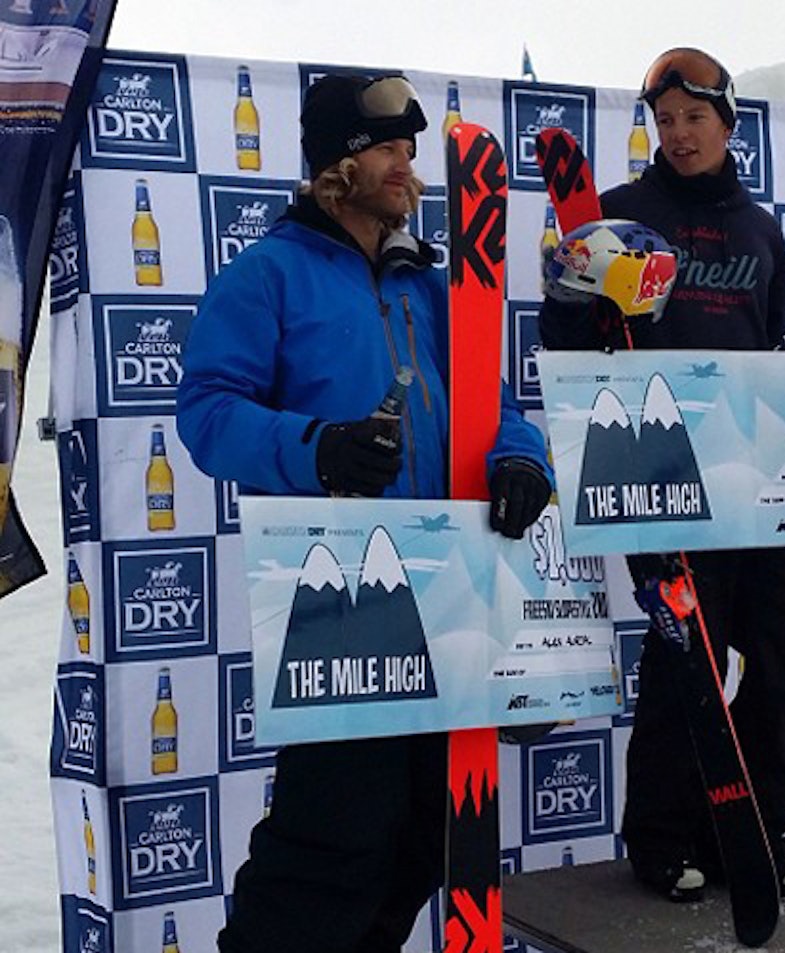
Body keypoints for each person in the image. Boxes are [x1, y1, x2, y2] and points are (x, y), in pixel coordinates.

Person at [176, 74, 552, 953]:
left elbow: (494, 403)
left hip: (448, 586)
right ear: (337, 166)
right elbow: (206, 412)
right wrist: (317, 448)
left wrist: (520, 459)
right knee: (331, 841)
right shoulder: (268, 275)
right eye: (386, 148)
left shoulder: (429, 284)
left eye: (412, 151)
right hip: (339, 593)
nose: (406, 167)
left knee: (424, 835)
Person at [539, 47, 785, 904]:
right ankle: (663, 838)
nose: (676, 134)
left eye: (693, 118)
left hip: (756, 484)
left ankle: (747, 823)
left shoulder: (762, 230)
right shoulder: (622, 215)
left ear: (728, 123)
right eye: (663, 120)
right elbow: (567, 348)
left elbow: (765, 353)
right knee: (685, 667)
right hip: (658, 472)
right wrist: (567, 294)